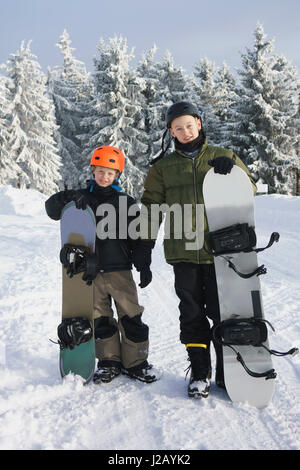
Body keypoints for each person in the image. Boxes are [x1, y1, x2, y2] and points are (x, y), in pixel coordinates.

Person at [139, 101, 257, 398]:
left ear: (199, 124)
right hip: (183, 253)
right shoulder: (162, 168)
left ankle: (227, 371)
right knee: (191, 314)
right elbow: (151, 209)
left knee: (224, 313)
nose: (185, 131)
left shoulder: (223, 156)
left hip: (222, 252)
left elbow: (250, 188)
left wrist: (232, 174)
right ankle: (200, 372)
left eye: (189, 125)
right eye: (178, 128)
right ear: (171, 132)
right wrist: (144, 248)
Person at [45, 145, 157, 384]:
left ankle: (136, 363)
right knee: (101, 320)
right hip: (90, 273)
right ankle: (109, 362)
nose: (104, 176)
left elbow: (138, 238)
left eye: (110, 172)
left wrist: (144, 265)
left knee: (131, 316)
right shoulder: (82, 198)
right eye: (100, 171)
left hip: (120, 271)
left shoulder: (126, 202)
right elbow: (52, 209)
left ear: (118, 175)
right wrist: (68, 197)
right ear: (92, 170)